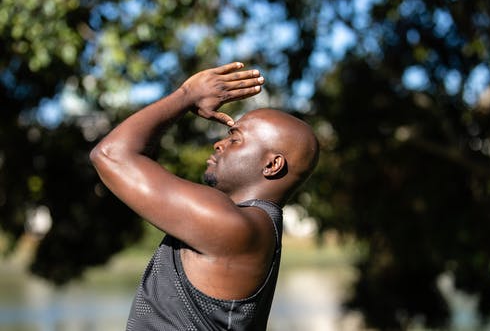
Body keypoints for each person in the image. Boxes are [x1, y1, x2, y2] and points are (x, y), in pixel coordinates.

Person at [90, 62, 319, 330]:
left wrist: (188, 94)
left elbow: (110, 155)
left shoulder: (232, 224)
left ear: (272, 165)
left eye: (235, 140)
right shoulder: (254, 224)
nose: (219, 143)